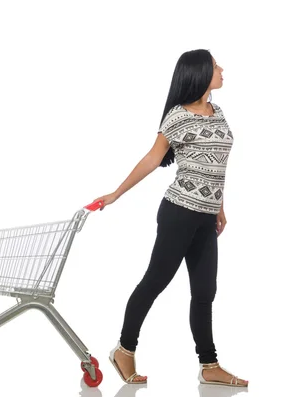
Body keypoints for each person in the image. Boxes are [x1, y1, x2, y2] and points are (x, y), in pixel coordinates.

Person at [95, 49, 248, 387]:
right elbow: (152, 159)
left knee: (206, 290)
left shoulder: (218, 112)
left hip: (206, 218)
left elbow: (215, 166)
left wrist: (219, 207)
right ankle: (124, 349)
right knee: (155, 282)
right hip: (179, 213)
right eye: (216, 64)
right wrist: (116, 194)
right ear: (200, 72)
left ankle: (209, 365)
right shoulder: (177, 116)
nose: (222, 68)